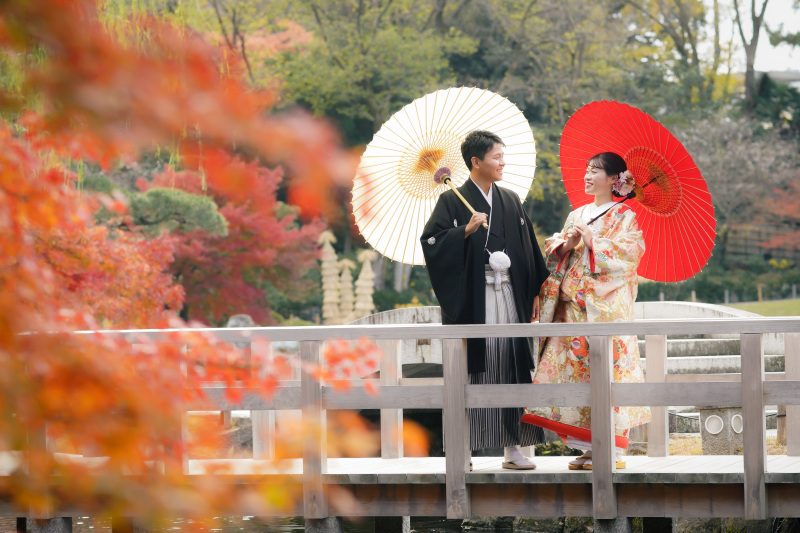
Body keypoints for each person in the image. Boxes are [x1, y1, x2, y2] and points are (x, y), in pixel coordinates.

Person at [420, 130, 549, 470]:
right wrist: (463, 231)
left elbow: (528, 251)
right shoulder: (451, 201)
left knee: (512, 363)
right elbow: (431, 243)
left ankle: (513, 449)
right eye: (496, 157)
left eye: (503, 156)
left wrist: (534, 291)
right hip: (475, 299)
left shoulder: (510, 200)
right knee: (475, 368)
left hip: (509, 295)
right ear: (476, 162)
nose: (502, 162)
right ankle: (465, 449)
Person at [522, 152, 650, 470]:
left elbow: (629, 256)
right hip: (572, 312)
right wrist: (567, 244)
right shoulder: (576, 213)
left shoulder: (625, 216)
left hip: (604, 314)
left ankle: (613, 451)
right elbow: (557, 254)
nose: (588, 176)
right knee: (573, 378)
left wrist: (593, 242)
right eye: (587, 169)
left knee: (607, 375)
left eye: (595, 171)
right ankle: (587, 448)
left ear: (614, 179)